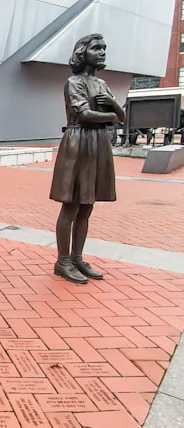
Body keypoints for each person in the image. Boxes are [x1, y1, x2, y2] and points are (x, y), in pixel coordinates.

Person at [49, 33, 124, 284]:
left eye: (104, 48)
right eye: (96, 48)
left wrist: (113, 104)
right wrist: (111, 117)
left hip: (98, 143)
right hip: (79, 142)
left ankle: (77, 257)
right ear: (83, 52)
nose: (102, 52)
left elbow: (121, 115)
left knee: (87, 205)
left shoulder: (103, 85)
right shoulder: (73, 82)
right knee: (71, 204)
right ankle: (63, 260)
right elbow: (83, 114)